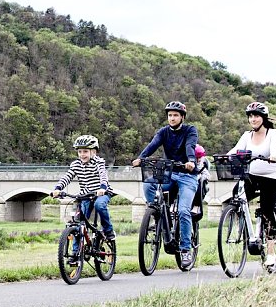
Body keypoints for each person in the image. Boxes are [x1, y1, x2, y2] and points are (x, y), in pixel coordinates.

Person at [131, 101, 199, 268]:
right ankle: (157, 213)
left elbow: (190, 146)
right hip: (169, 174)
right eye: (170, 115)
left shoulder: (190, 130)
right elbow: (153, 145)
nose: (172, 118)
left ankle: (185, 250)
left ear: (182, 117)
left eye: (176, 115)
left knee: (183, 211)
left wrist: (190, 161)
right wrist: (141, 158)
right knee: (149, 184)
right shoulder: (163, 132)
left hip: (187, 176)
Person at [227, 101, 276, 266]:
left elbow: (274, 148)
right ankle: (241, 227)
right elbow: (235, 150)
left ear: (263, 118)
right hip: (252, 176)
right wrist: (225, 157)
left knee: (267, 210)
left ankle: (271, 252)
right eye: (251, 116)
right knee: (236, 194)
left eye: (256, 116)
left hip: (271, 178)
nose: (253, 119)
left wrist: (273, 156)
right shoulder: (246, 135)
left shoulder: (273, 133)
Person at [51, 135, 116, 252]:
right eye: (79, 152)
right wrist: (58, 188)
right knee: (78, 224)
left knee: (99, 205)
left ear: (94, 152)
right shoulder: (76, 164)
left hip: (101, 193)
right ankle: (75, 253)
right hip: (85, 195)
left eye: (85, 151)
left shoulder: (99, 162)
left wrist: (102, 187)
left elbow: (103, 176)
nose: (82, 154)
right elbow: (67, 176)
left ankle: (108, 230)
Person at [191, 144, 210, 220]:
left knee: (200, 182)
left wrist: (201, 176)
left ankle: (196, 206)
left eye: (200, 158)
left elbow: (207, 174)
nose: (198, 160)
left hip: (198, 184)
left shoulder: (203, 163)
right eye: (197, 158)